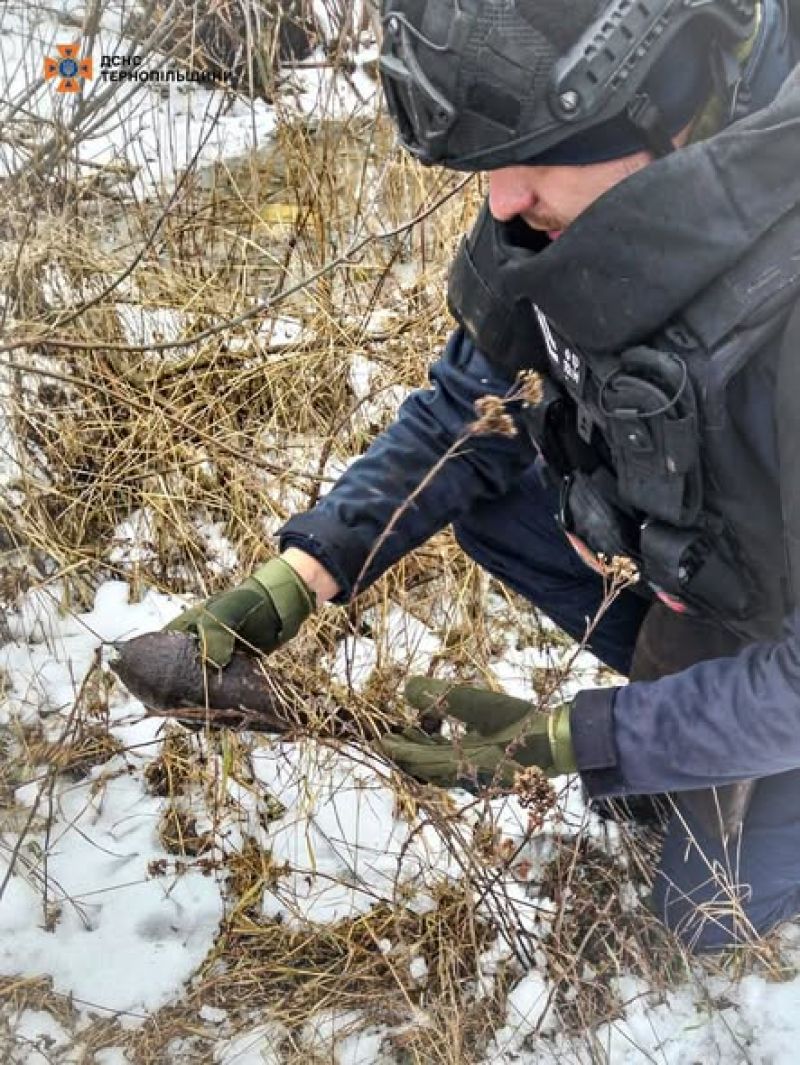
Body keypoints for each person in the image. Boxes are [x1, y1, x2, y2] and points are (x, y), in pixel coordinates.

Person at [168, 0, 800, 952]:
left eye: (535, 157)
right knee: (498, 507)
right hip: (723, 575)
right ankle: (692, 717)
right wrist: (297, 577)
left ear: (664, 112)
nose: (501, 200)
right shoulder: (585, 203)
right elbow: (472, 406)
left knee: (704, 917)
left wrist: (574, 739)